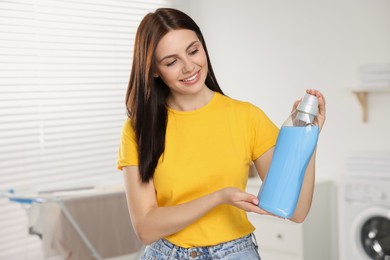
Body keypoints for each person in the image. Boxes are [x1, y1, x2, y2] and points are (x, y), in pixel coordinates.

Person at [117, 7, 326, 260]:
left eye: (193, 51)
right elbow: (146, 228)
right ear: (153, 70)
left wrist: (308, 138)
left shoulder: (246, 117)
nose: (188, 66)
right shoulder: (139, 130)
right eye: (171, 62)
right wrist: (218, 197)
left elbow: (296, 211)